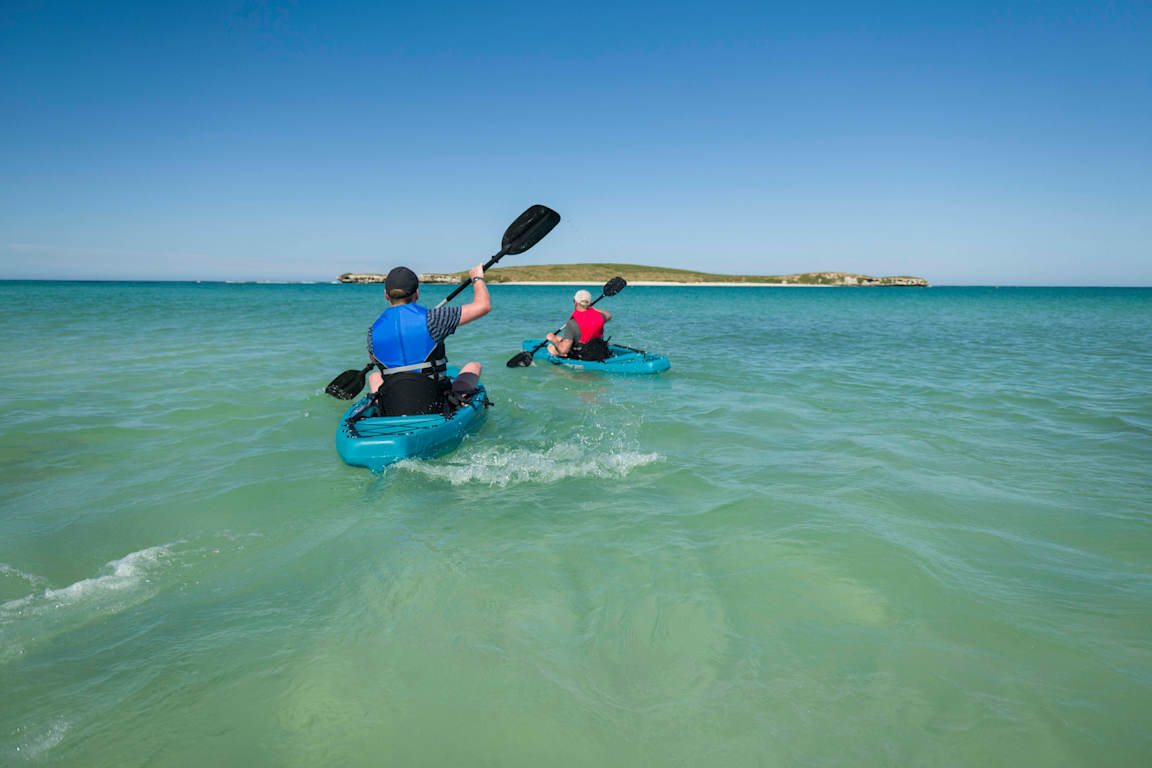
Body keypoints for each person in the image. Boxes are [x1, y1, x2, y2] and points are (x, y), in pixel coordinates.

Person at [366, 265, 490, 415]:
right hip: (434, 402)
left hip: (394, 405)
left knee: (374, 376)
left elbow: (377, 361)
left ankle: (378, 410)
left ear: (386, 295)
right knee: (473, 366)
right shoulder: (435, 318)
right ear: (416, 293)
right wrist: (477, 277)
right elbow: (483, 306)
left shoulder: (372, 331)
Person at [545, 288, 612, 359]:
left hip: (582, 355)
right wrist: (592, 308)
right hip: (599, 351)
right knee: (559, 338)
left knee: (552, 348)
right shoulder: (601, 316)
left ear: (576, 303)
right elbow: (609, 315)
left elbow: (563, 350)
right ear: (589, 303)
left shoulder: (572, 323)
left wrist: (553, 339)